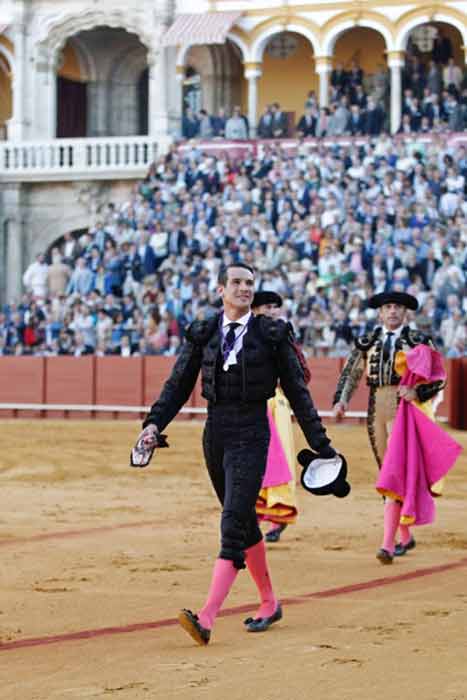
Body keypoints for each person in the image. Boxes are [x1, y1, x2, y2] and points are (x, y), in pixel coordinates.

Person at [131, 263, 338, 645]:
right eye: (238, 283)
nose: (245, 289)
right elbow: (178, 383)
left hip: (252, 432)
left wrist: (321, 446)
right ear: (221, 288)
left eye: (250, 284)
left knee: (231, 523)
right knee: (243, 519)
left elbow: (298, 392)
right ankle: (269, 601)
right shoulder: (205, 331)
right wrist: (153, 424)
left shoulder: (271, 334)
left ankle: (207, 617)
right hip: (215, 434)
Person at [332, 291, 445, 564]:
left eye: (397, 307)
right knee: (387, 472)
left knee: (396, 472)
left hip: (404, 408)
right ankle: (404, 535)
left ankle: (388, 544)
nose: (392, 311)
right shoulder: (368, 340)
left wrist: (419, 392)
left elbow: (439, 378)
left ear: (405, 313)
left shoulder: (418, 340)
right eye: (388, 307)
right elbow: (351, 372)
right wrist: (341, 401)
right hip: (376, 408)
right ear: (380, 313)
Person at [251, 291, 299, 543]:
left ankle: (277, 515)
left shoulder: (283, 335)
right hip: (249, 404)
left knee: (277, 458)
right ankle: (255, 513)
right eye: (266, 307)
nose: (272, 312)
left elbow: (302, 373)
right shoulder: (244, 333)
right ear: (255, 310)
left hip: (276, 403)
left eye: (275, 307)